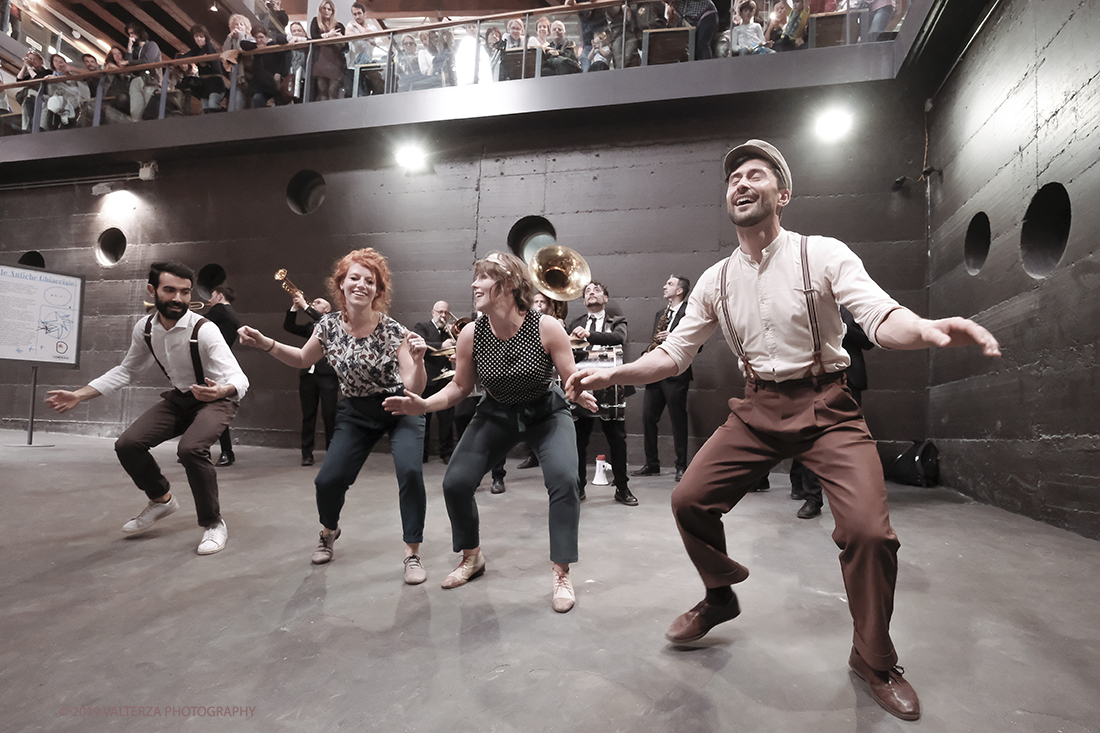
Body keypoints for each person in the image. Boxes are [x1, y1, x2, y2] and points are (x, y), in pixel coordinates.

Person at [567, 140, 1001, 721]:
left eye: (755, 175)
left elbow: (877, 315)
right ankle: (719, 596)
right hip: (758, 407)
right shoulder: (715, 280)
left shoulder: (821, 254)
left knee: (870, 533)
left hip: (828, 406)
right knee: (689, 500)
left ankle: (873, 659)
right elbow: (674, 355)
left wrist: (922, 328)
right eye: (733, 179)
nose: (741, 184)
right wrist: (614, 372)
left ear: (783, 194)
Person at [384, 251, 598, 613]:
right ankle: (472, 557)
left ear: (510, 284)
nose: (474, 284)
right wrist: (424, 404)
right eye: (476, 276)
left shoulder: (547, 327)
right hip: (497, 411)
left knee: (564, 481)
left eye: (483, 277)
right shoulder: (471, 333)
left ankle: (561, 572)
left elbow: (569, 377)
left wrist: (579, 390)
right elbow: (459, 388)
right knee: (455, 482)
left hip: (545, 412)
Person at [238, 249, 431, 584]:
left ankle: (412, 554)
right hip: (356, 410)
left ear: (378, 291)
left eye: (370, 281)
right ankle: (329, 531)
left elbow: (414, 385)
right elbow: (302, 358)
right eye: (354, 278)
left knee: (411, 472)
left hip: (400, 407)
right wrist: (266, 343)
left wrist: (420, 361)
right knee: (327, 481)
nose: (361, 285)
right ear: (340, 284)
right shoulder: (327, 327)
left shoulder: (393, 331)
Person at [45, 262, 249, 556]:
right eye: (170, 290)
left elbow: (240, 378)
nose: (178, 298)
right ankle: (162, 499)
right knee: (127, 444)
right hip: (181, 397)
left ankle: (213, 523)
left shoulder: (205, 330)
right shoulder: (146, 329)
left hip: (217, 398)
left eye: (184, 292)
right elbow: (127, 370)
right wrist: (80, 394)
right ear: (153, 291)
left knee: (191, 450)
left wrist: (221, 390)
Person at [791, 305, 874, 518]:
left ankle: (855, 498)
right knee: (812, 438)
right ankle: (813, 498)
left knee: (851, 440)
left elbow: (867, 340)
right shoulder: (809, 309)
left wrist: (840, 327)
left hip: (850, 379)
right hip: (815, 379)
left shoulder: (853, 307)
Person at [568, 280, 637, 506]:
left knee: (617, 440)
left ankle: (622, 488)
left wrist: (587, 335)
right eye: (587, 291)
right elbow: (568, 353)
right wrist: (570, 337)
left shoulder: (618, 321)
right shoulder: (575, 323)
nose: (591, 293)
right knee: (578, 439)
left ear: (605, 298)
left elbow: (618, 339)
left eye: (597, 290)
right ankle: (578, 487)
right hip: (584, 384)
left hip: (612, 387)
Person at [633, 274, 693, 482]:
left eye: (669, 284)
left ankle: (681, 466)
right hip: (655, 372)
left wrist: (674, 337)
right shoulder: (661, 313)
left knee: (678, 419)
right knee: (648, 417)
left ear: (680, 291)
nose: (664, 286)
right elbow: (655, 340)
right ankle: (652, 464)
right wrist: (646, 352)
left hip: (676, 373)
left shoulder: (690, 313)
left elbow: (698, 344)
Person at [283, 292, 338, 466]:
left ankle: (333, 452)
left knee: (330, 415)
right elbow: (288, 326)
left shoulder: (333, 322)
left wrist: (305, 306)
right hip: (308, 375)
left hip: (327, 376)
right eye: (313, 302)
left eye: (318, 302)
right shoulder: (310, 327)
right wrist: (295, 307)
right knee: (308, 415)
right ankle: (306, 454)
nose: (314, 302)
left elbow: (322, 321)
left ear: (327, 310)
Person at [413, 301, 457, 464]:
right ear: (433, 312)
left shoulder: (448, 331)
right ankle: (422, 454)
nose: (443, 316)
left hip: (445, 380)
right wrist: (441, 345)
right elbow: (420, 345)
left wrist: (454, 335)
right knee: (424, 419)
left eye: (446, 312)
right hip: (427, 380)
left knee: (447, 420)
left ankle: (446, 453)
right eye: (440, 312)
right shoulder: (422, 326)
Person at [205, 285, 241, 466]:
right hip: (220, 365)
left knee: (214, 409)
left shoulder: (218, 310)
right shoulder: (232, 314)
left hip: (211, 367)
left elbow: (197, 323)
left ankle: (226, 451)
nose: (209, 301)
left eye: (211, 296)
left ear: (219, 296)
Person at [178, 24, 227, 113]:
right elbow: (183, 57)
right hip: (205, 85)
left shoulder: (209, 46)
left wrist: (200, 60)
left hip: (215, 84)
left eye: (201, 36)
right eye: (196, 36)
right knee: (205, 108)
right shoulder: (197, 49)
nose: (199, 39)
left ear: (205, 37)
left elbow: (214, 64)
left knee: (212, 106)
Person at [124, 22, 162, 121]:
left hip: (150, 80)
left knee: (149, 109)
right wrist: (129, 47)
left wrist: (129, 61)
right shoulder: (134, 49)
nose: (131, 36)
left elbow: (147, 61)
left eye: (132, 33)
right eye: (129, 34)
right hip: (136, 80)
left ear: (139, 32)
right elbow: (127, 64)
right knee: (135, 111)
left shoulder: (152, 45)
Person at [310, 0, 346, 101]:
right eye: (324, 8)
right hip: (321, 60)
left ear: (332, 11)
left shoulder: (338, 26)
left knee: (332, 91)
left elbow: (345, 47)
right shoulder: (316, 22)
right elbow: (314, 37)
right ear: (320, 10)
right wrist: (327, 36)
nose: (326, 11)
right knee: (322, 91)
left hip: (335, 61)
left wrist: (340, 38)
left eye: (329, 9)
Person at [44, 54, 89, 130]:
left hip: (71, 107)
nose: (59, 63)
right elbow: (50, 93)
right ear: (53, 64)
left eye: (61, 61)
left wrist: (69, 71)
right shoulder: (51, 76)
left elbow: (75, 90)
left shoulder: (70, 76)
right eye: (56, 61)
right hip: (56, 108)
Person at [14, 49, 48, 131]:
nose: (33, 61)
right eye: (31, 60)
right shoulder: (31, 73)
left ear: (41, 61)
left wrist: (29, 68)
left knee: (36, 118)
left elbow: (37, 79)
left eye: (35, 59)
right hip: (30, 99)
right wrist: (25, 66)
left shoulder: (47, 72)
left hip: (42, 99)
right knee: (29, 116)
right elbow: (19, 80)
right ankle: (29, 129)